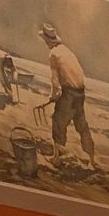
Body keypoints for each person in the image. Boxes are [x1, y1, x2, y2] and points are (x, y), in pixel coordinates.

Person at [39, 23, 96, 167]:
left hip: (69, 92)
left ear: (47, 40)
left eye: (45, 40)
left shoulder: (53, 53)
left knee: (58, 120)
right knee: (82, 124)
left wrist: (55, 94)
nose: (45, 43)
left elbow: (55, 79)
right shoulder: (66, 50)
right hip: (80, 92)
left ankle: (56, 158)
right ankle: (92, 160)